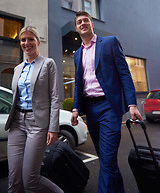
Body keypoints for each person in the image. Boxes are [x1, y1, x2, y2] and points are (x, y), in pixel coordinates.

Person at [71, 11, 143, 193]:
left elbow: (125, 73)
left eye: (85, 20)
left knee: (108, 159)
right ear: (76, 27)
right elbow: (79, 82)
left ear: (92, 23)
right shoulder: (77, 53)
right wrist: (75, 108)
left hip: (110, 107)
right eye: (79, 22)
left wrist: (132, 104)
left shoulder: (109, 42)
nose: (82, 23)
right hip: (91, 109)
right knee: (105, 160)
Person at [5, 26, 63, 193]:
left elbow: (54, 96)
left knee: (30, 180)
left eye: (31, 39)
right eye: (23, 40)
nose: (26, 43)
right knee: (14, 179)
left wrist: (53, 128)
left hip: (37, 124)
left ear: (38, 41)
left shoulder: (48, 63)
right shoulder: (17, 69)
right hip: (16, 123)